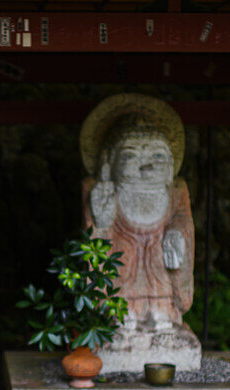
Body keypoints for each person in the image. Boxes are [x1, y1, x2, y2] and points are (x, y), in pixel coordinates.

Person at [82, 94, 194, 337]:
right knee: (121, 258)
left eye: (158, 156)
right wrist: (101, 223)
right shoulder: (100, 191)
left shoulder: (176, 192)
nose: (146, 166)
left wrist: (177, 234)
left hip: (160, 279)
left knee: (165, 248)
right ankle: (116, 313)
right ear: (108, 162)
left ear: (171, 164)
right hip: (123, 278)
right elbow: (94, 242)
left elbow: (183, 220)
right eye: (131, 155)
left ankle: (164, 311)